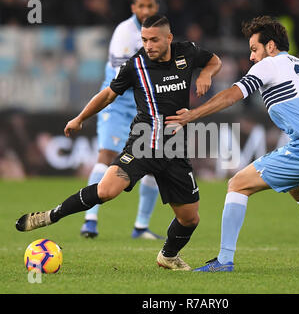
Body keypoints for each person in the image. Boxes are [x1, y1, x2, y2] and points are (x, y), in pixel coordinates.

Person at [15, 14, 222, 271]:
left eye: (154, 40)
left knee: (190, 218)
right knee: (106, 190)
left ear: (169, 38)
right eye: (145, 39)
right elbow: (108, 95)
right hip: (143, 144)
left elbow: (214, 61)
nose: (148, 45)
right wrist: (80, 118)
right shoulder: (136, 65)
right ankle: (49, 216)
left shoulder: (187, 52)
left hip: (175, 148)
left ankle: (168, 256)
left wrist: (207, 75)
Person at [165, 16, 299, 272]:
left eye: (254, 49)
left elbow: (231, 96)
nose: (251, 57)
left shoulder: (270, 65)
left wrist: (192, 115)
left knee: (237, 184)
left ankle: (224, 260)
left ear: (271, 46)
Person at [80, 0, 162, 240]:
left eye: (150, 5)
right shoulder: (124, 32)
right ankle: (90, 219)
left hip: (144, 105)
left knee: (154, 162)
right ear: (133, 7)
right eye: (142, 5)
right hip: (116, 102)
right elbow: (122, 78)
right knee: (106, 154)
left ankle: (140, 227)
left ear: (156, 7)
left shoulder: (162, 31)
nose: (146, 10)